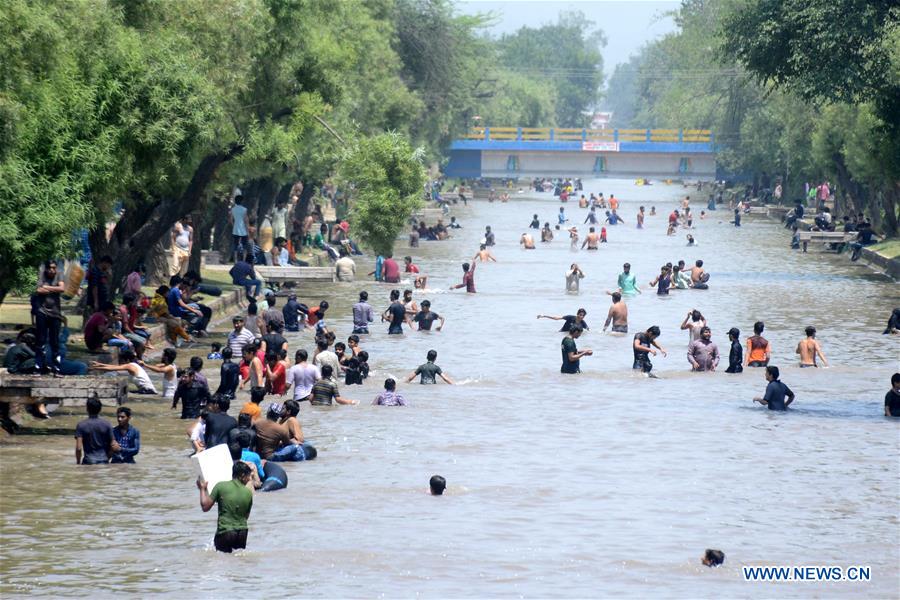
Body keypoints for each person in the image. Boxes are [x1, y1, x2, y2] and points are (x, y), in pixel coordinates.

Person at [198, 461, 253, 553]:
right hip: (242, 533)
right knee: (238, 562)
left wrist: (202, 489)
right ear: (242, 475)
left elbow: (205, 506)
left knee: (222, 563)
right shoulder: (248, 493)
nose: (249, 479)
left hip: (225, 532)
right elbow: (246, 517)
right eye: (248, 476)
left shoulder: (221, 486)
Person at [35, 260, 66, 375]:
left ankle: (56, 369)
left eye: (54, 268)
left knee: (55, 342)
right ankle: (38, 367)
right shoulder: (42, 275)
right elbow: (38, 290)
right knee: (40, 341)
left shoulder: (59, 275)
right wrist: (54, 288)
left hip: (55, 313)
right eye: (50, 268)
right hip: (42, 312)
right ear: (46, 269)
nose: (52, 270)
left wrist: (47, 287)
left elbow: (62, 289)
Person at [75, 396, 119, 465]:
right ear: (100, 409)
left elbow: (78, 448)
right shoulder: (107, 424)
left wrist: (78, 463)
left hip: (88, 461)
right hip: (103, 460)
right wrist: (107, 458)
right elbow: (113, 445)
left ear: (87, 409)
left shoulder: (81, 425)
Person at [90, 349, 157, 394]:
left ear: (127, 360)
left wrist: (95, 368)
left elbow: (113, 368)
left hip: (147, 391)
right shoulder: (133, 365)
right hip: (147, 390)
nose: (121, 362)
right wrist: (99, 364)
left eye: (122, 360)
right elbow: (114, 367)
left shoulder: (130, 366)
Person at [230, 195, 251, 263]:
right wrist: (248, 229)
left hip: (235, 230)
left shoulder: (233, 209)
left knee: (235, 245)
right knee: (244, 246)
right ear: (242, 201)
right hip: (243, 230)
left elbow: (230, 220)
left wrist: (234, 225)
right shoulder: (244, 209)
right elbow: (246, 220)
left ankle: (235, 260)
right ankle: (243, 260)